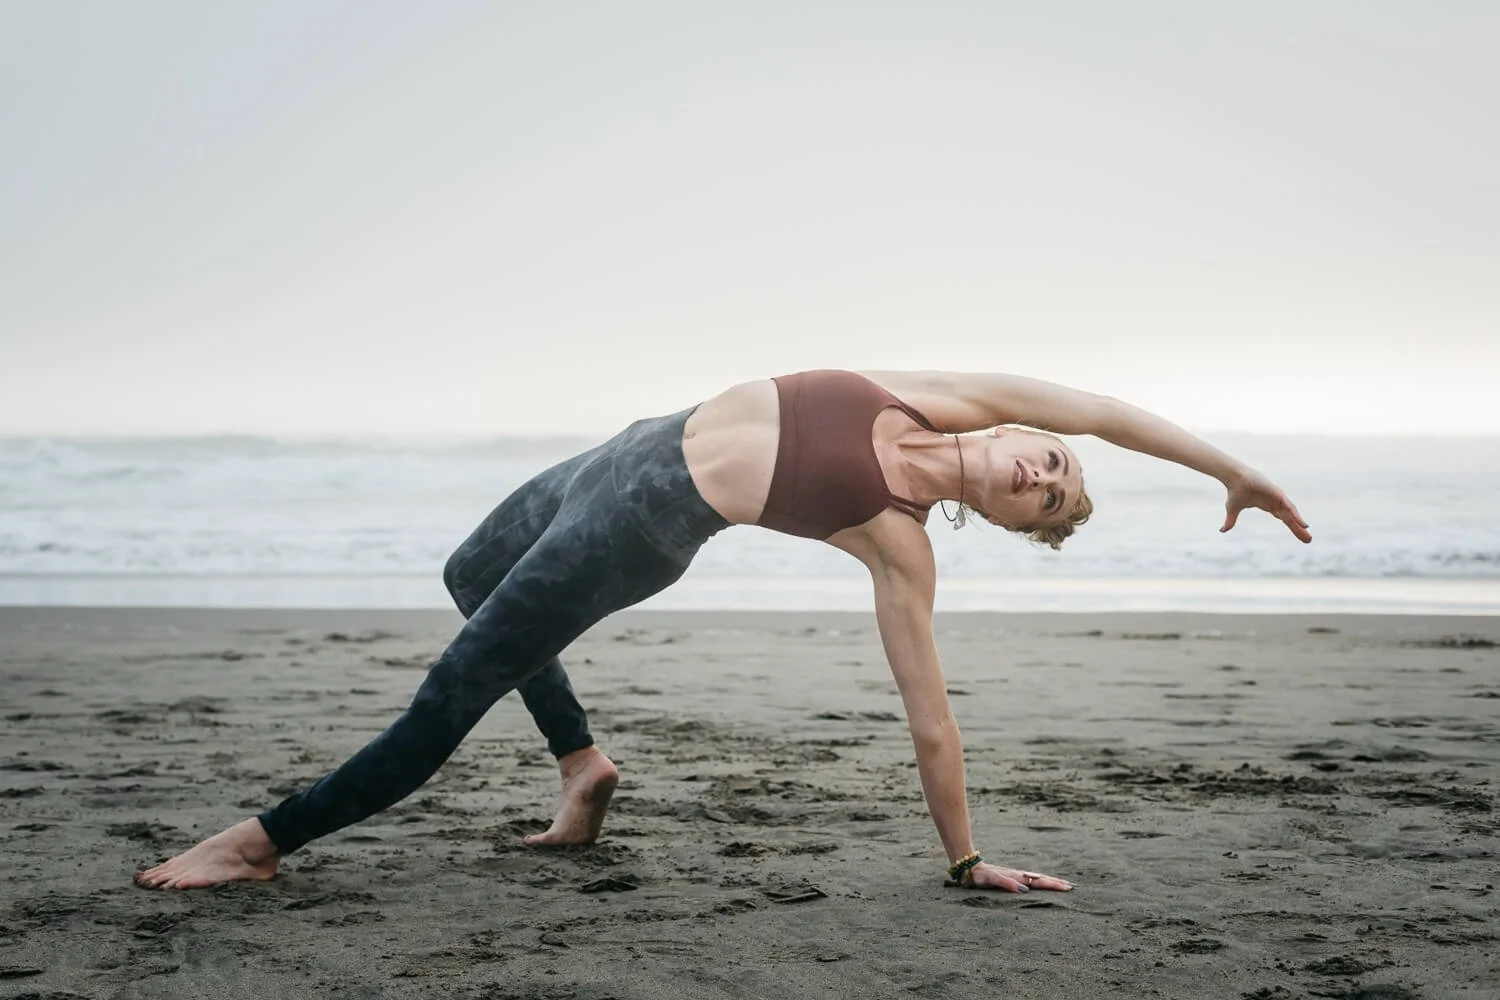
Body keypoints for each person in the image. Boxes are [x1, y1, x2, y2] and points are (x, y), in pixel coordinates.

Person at [134, 369, 1310, 893]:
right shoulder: (935, 393)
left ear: (1003, 514)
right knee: (465, 568)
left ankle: (260, 841)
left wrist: (966, 858)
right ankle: (583, 764)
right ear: (1022, 441)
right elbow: (1102, 407)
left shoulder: (896, 535)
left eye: (1045, 499)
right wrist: (1236, 468)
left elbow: (931, 717)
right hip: (619, 447)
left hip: (637, 525)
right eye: (1050, 463)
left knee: (451, 691)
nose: (1040, 472)